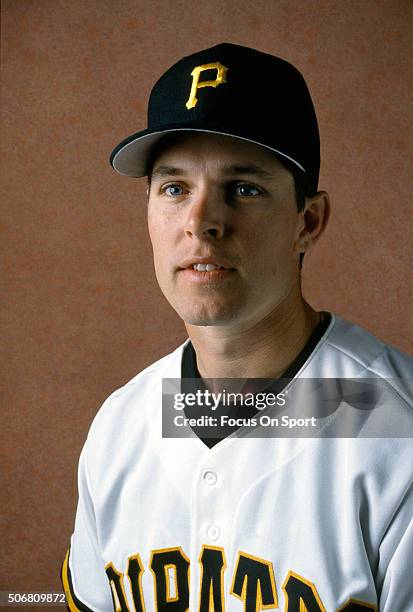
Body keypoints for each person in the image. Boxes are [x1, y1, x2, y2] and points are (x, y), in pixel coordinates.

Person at [61, 43, 413, 611]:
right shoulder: (120, 427)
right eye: (174, 188)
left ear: (309, 220)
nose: (201, 224)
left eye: (244, 189)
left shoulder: (396, 427)